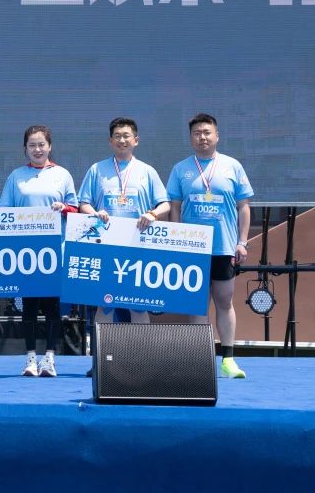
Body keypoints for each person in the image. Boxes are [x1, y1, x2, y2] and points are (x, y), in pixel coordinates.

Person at [166, 113, 254, 379]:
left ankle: (228, 360)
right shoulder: (181, 169)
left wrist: (242, 242)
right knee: (197, 305)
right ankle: (200, 360)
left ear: (217, 135)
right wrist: (177, 240)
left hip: (223, 247)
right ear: (190, 138)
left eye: (207, 132)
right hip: (193, 247)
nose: (202, 137)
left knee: (225, 301)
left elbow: (243, 207)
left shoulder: (232, 166)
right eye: (197, 133)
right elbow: (175, 207)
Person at [0, 125, 78, 377]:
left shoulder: (62, 175)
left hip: (55, 250)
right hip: (25, 251)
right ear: (25, 148)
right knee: (29, 306)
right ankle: (31, 358)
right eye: (32, 145)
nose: (37, 149)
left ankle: (50, 358)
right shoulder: (16, 176)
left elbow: (75, 209)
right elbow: (3, 211)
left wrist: (63, 208)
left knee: (53, 306)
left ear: (50, 146)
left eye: (41, 144)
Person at [78, 117, 170, 328]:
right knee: (105, 304)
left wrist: (153, 214)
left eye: (126, 136)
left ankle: (140, 350)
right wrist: (95, 213)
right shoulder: (97, 169)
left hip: (138, 247)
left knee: (138, 306)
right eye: (117, 136)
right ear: (110, 141)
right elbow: (83, 204)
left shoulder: (147, 171)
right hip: (106, 247)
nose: (122, 140)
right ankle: (103, 350)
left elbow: (165, 204)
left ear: (136, 140)